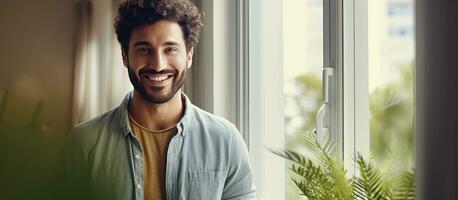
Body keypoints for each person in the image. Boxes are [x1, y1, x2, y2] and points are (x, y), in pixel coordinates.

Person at [63, 0, 256, 199]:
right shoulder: (83, 143)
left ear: (189, 55)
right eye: (144, 49)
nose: (157, 64)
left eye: (170, 49)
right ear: (125, 56)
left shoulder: (226, 140)